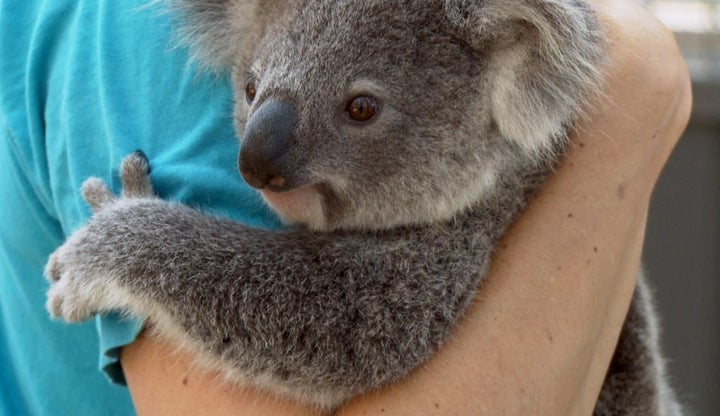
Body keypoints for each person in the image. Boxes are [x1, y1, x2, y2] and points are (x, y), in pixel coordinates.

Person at [0, 1, 690, 415]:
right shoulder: (122, 35)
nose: (253, 158)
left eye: (360, 109)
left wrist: (147, 251)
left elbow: (358, 320)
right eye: (247, 87)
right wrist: (639, 95)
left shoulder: (482, 114)